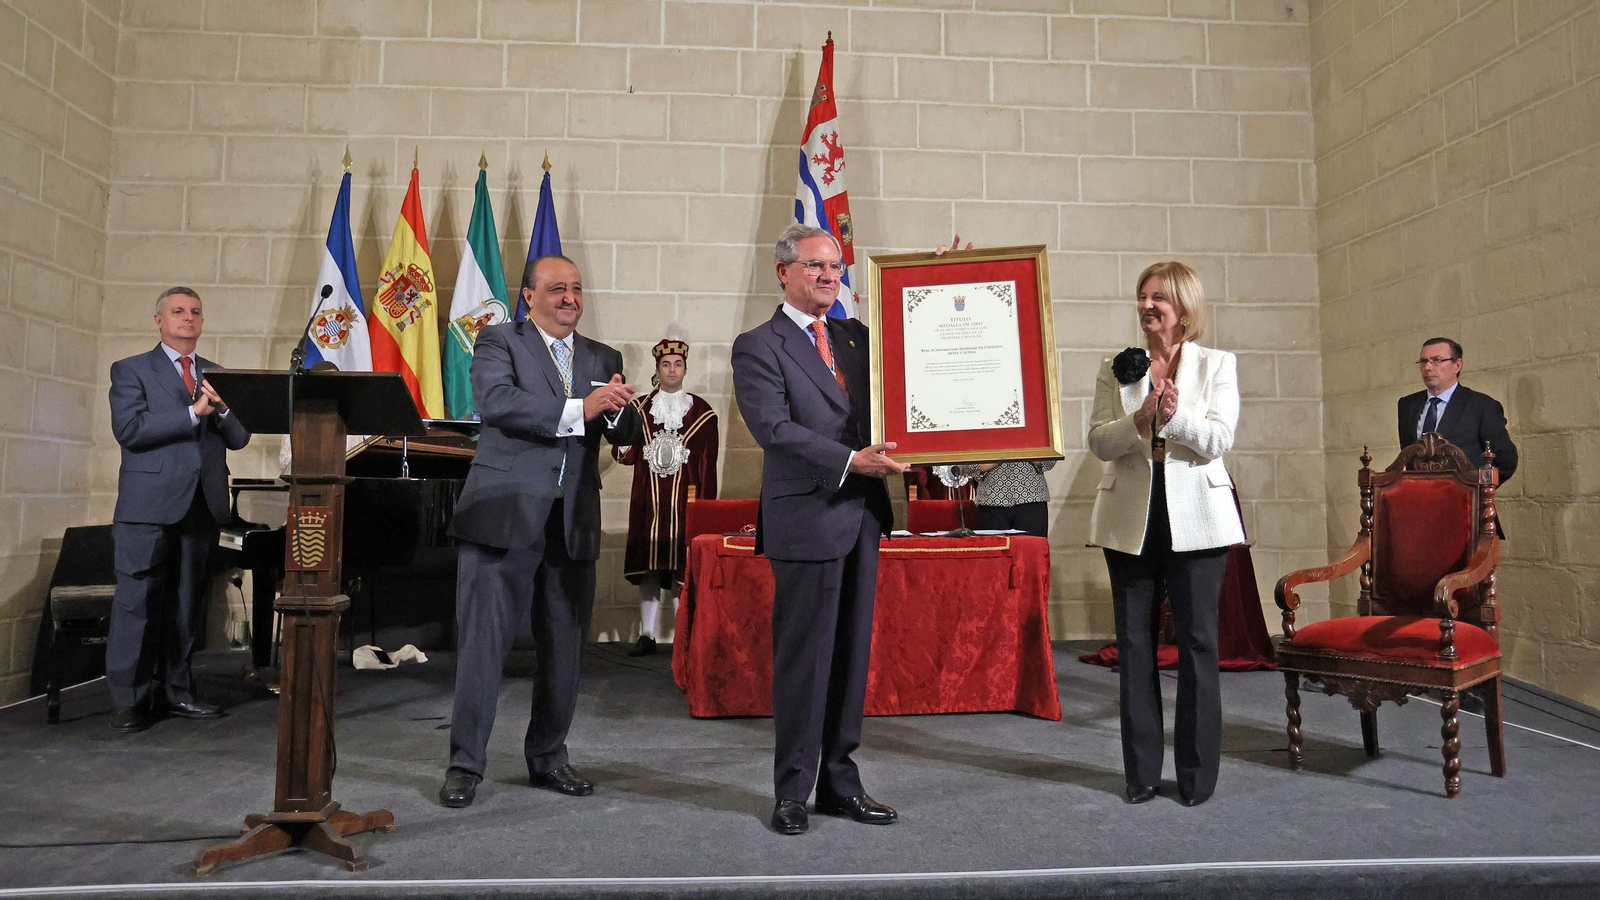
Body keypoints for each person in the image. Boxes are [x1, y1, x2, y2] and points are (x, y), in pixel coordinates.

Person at [439, 254, 642, 808]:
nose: (569, 297)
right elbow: (497, 402)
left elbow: (621, 429)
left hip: (571, 520)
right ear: (529, 297)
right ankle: (464, 765)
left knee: (564, 648)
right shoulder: (498, 340)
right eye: (557, 289)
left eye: (576, 288)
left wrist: (619, 411)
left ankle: (549, 757)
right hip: (503, 515)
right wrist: (582, 407)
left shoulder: (603, 356)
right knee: (483, 647)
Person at [731, 223, 907, 835]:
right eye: (815, 266)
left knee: (851, 659)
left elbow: (915, 361)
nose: (830, 276)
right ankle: (792, 791)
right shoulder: (758, 345)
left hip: (863, 516)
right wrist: (850, 460)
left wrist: (945, 282)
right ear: (784, 272)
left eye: (836, 267)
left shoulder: (857, 338)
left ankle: (840, 783)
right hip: (807, 516)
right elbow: (773, 429)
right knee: (805, 662)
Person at [1087, 261, 1244, 808]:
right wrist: (1139, 419)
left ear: (1183, 306)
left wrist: (1173, 418)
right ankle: (1141, 775)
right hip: (1130, 519)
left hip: (1197, 518)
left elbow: (1219, 440)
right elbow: (1098, 443)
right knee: (1134, 645)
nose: (1146, 306)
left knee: (1198, 643)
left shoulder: (1217, 364)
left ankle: (1197, 777)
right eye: (1142, 296)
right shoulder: (1116, 367)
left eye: (1158, 297)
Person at [106, 287, 251, 733]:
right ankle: (129, 702)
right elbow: (130, 429)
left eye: (195, 312)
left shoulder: (217, 373)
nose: (188, 318)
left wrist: (221, 410)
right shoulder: (131, 369)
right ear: (159, 320)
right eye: (178, 311)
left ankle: (179, 693)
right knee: (137, 604)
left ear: (202, 322)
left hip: (201, 505)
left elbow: (241, 437)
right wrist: (193, 413)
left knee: (187, 606)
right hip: (147, 507)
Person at [611, 338, 720, 656]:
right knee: (648, 566)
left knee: (680, 568)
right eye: (665, 364)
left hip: (684, 503)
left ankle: (683, 637)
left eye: (678, 364)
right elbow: (625, 456)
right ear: (657, 370)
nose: (672, 369)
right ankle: (646, 634)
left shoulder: (702, 413)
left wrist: (704, 509)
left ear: (685, 369)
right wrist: (620, 424)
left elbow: (707, 465)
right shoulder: (640, 408)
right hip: (648, 500)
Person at [1398, 337, 1518, 489]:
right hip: (1419, 498)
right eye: (1423, 361)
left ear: (1457, 365)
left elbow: (1506, 460)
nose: (1427, 367)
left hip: (1464, 499)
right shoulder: (1407, 405)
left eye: (1437, 360)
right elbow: (1408, 457)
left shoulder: (1481, 405)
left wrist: (1478, 492)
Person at [955, 460, 1055, 537]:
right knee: (995, 554)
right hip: (991, 500)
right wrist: (1003, 453)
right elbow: (969, 466)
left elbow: (1049, 461)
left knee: (1031, 552)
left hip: (1031, 499)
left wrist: (1021, 446)